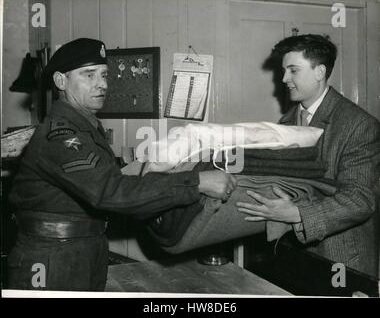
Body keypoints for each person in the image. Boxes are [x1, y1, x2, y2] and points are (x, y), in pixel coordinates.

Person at [7, 38, 237, 291]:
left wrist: (148, 169)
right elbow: (110, 191)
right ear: (61, 81)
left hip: (81, 248)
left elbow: (103, 180)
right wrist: (198, 182)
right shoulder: (60, 135)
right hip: (52, 257)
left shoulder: (85, 127)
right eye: (89, 75)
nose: (102, 84)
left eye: (104, 75)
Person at [237, 34, 380, 277]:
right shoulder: (286, 122)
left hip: (340, 260)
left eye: (293, 70)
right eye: (284, 71)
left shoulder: (359, 124)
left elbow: (360, 200)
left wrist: (296, 214)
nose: (284, 79)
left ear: (319, 72)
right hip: (295, 256)